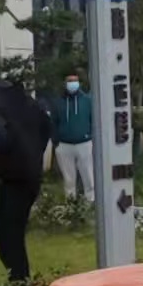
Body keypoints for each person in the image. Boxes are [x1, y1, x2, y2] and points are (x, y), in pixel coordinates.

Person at [0, 61, 51, 283]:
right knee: (15, 237)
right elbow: (46, 125)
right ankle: (21, 285)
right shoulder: (17, 95)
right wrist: (34, 155)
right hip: (30, 175)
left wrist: (4, 165)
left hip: (10, 179)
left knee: (8, 241)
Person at [48, 69, 95, 203]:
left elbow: (93, 120)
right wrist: (56, 141)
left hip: (84, 143)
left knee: (88, 177)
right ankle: (71, 204)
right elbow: (53, 122)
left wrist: (91, 136)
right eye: (69, 81)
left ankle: (90, 202)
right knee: (69, 179)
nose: (72, 83)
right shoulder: (58, 102)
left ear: (79, 82)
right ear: (65, 83)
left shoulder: (87, 100)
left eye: (74, 81)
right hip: (64, 145)